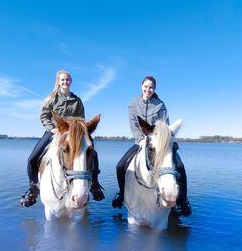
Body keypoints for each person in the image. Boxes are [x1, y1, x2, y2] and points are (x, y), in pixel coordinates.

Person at [21, 70, 105, 207]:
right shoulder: (51, 99)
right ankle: (33, 189)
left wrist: (77, 130)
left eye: (67, 80)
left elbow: (81, 119)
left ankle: (94, 184)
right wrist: (53, 129)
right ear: (58, 82)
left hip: (72, 134)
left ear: (71, 82)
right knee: (32, 159)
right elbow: (44, 116)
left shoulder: (77, 101)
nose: (65, 82)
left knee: (92, 154)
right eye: (62, 80)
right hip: (54, 132)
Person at [112, 76, 192, 216]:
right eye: (146, 86)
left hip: (159, 143)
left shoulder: (160, 105)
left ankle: (183, 200)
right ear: (141, 86)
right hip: (141, 142)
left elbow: (166, 126)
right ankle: (121, 193)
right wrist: (141, 140)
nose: (148, 89)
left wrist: (161, 140)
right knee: (120, 166)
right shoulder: (133, 104)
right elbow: (133, 125)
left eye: (151, 87)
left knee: (180, 166)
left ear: (154, 89)